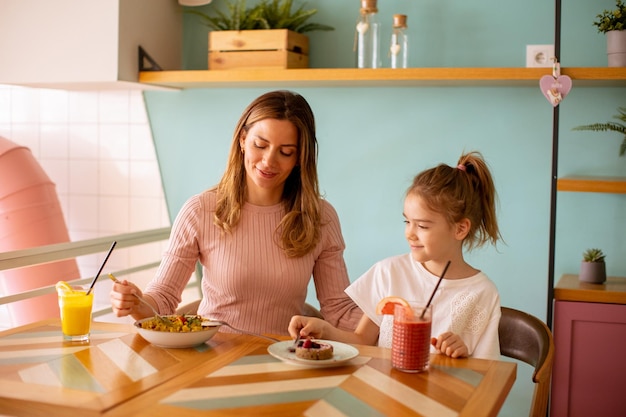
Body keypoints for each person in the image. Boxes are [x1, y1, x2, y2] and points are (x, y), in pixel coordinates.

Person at [110, 90, 362, 335]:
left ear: (299, 157)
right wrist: (136, 303)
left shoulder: (320, 218)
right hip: (211, 360)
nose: (268, 161)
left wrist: (390, 321)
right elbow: (163, 298)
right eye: (260, 145)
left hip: (285, 364)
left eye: (285, 152)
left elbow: (338, 310)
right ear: (242, 140)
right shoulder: (200, 210)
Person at [288, 151, 503, 360]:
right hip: (383, 393)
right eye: (407, 222)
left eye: (422, 226)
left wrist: (463, 355)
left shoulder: (482, 293)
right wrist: (326, 331)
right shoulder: (389, 273)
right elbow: (362, 340)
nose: (410, 233)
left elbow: (489, 375)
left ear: (460, 229)